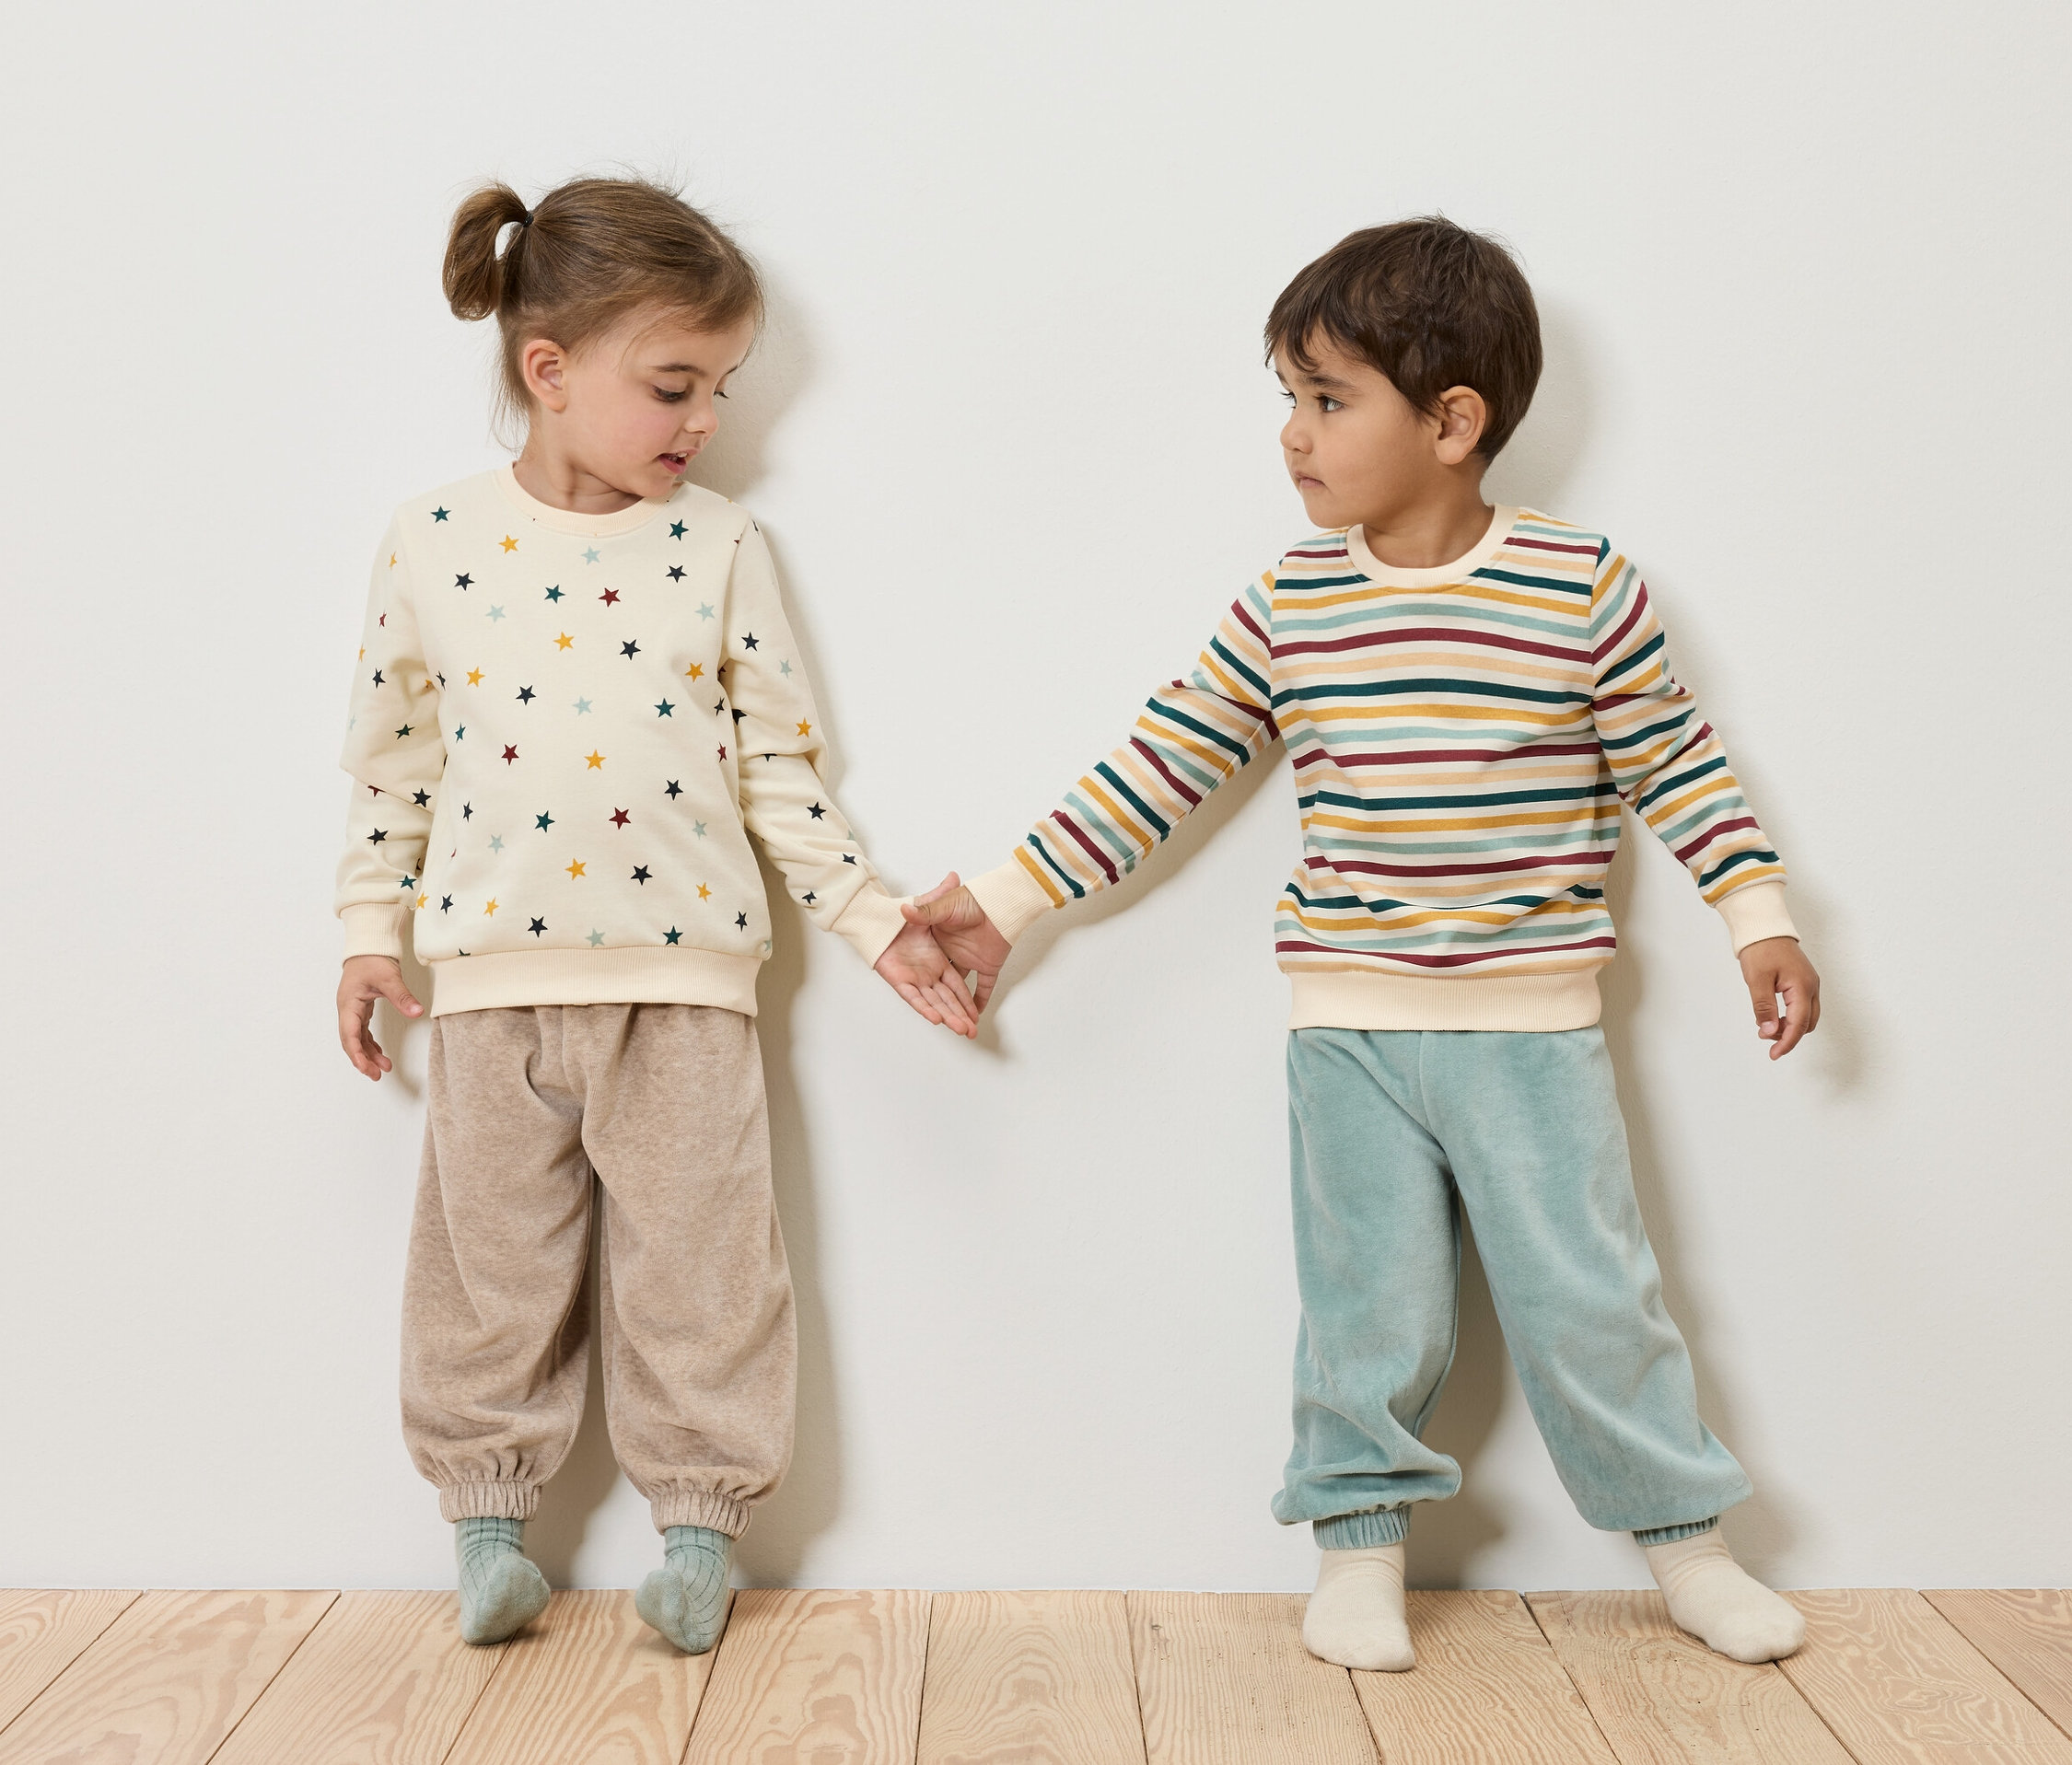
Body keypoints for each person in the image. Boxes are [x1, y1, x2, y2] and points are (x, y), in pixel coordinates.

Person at [908, 216, 1818, 1670]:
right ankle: (1354, 1553)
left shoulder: (1581, 586)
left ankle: (1685, 1545)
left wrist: (1755, 916)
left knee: (1591, 1299)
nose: (1291, 436)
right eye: (1286, 397)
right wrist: (1007, 897)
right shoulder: (1294, 601)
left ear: (1452, 422)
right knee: (1363, 1312)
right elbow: (1161, 764)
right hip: (1349, 1032)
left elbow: (1679, 764)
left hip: (1530, 1029)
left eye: (1327, 400)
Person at [332, 175, 973, 1651]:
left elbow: (782, 773)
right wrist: (370, 932)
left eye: (722, 388)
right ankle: (486, 1526)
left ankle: (698, 1529)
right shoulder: (428, 540)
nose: (704, 420)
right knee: (487, 1273)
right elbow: (388, 766)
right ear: (547, 371)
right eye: (673, 384)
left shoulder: (720, 545)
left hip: (685, 986)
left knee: (702, 1267)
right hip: (486, 989)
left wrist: (876, 923)